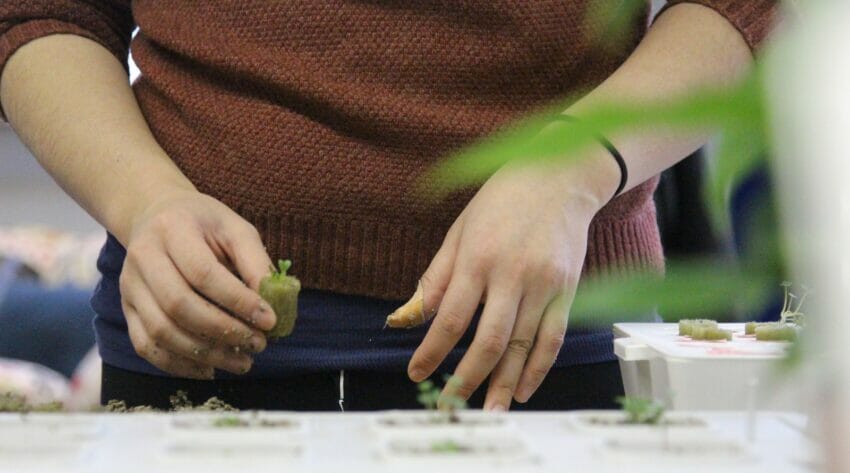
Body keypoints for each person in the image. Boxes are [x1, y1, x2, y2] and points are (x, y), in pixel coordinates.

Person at [0, 1, 776, 411]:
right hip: (195, 345)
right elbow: (40, 10)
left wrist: (570, 171)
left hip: (548, 346)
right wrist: (146, 202)